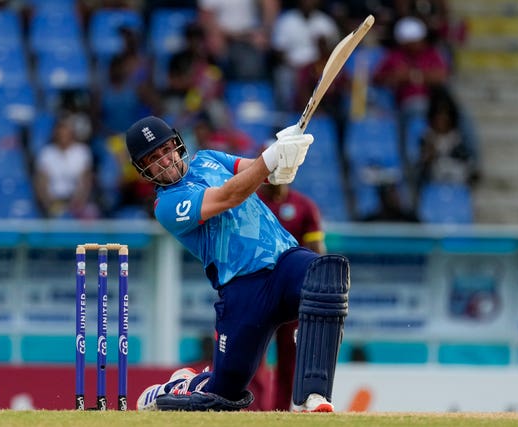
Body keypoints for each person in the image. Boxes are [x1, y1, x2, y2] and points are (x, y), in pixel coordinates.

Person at [126, 115, 350, 412]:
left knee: (327, 275)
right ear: (144, 170)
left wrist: (288, 159)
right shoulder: (167, 205)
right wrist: (271, 156)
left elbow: (266, 177)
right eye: (154, 159)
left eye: (166, 149)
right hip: (243, 289)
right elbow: (230, 195)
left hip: (283, 262)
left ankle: (315, 396)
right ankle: (181, 385)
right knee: (224, 395)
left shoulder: (208, 158)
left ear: (177, 144)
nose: (165, 161)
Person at [255, 180, 326, 411]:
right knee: (251, 359)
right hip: (257, 293)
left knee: (290, 360)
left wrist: (318, 288)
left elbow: (317, 251)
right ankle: (253, 412)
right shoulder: (251, 202)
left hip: (293, 296)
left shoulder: (304, 206)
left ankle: (280, 412)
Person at [33, 115, 98, 219]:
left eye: (66, 132)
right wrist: (49, 203)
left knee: (91, 213)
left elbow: (86, 181)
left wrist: (77, 202)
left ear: (72, 134)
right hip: (53, 201)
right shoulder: (46, 153)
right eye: (61, 133)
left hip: (76, 201)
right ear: (56, 133)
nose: (63, 136)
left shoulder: (82, 152)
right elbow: (41, 182)